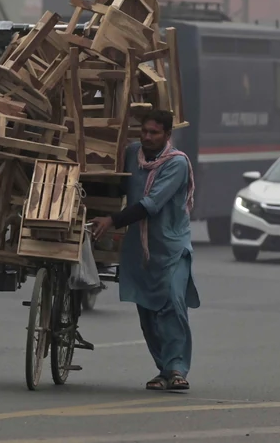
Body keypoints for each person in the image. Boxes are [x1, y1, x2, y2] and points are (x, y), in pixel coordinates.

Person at [91, 110, 199, 392]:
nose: (148, 137)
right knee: (148, 311)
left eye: (154, 133)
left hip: (171, 247)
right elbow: (117, 184)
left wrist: (112, 220)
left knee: (173, 303)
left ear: (167, 135)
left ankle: (177, 368)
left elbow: (151, 204)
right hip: (138, 248)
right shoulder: (132, 153)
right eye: (144, 131)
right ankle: (164, 370)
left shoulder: (176, 163)